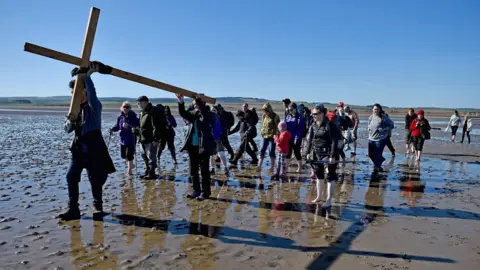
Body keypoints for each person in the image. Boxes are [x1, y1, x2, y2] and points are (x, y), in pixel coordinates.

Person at [60, 61, 116, 220]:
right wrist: (70, 121)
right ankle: (73, 209)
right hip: (78, 148)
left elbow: (92, 93)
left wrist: (86, 77)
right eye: (72, 93)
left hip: (93, 147)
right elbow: (67, 129)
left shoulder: (94, 106)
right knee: (71, 177)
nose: (74, 95)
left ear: (83, 91)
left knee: (95, 179)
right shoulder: (74, 108)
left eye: (76, 92)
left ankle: (98, 207)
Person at [176, 93, 216, 201]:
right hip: (192, 147)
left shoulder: (208, 114)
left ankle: (205, 192)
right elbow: (183, 113)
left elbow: (205, 117)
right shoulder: (194, 114)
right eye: (194, 104)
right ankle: (196, 191)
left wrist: (199, 101)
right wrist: (181, 102)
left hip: (203, 147)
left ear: (202, 103)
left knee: (204, 171)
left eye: (197, 104)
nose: (195, 106)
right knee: (193, 170)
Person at [303, 107, 341, 208]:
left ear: (322, 114)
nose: (313, 116)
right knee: (319, 175)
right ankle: (319, 196)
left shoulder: (330, 125)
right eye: (313, 114)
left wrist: (332, 156)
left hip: (329, 155)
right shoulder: (313, 126)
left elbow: (334, 141)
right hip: (316, 154)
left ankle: (329, 200)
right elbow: (309, 140)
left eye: (316, 114)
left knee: (330, 176)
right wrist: (307, 153)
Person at [135, 96, 166, 179]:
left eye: (139, 102)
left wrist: (156, 139)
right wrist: (136, 130)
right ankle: (147, 171)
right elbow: (141, 125)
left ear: (145, 102)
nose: (138, 104)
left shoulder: (152, 111)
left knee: (151, 156)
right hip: (142, 138)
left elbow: (156, 126)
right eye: (138, 102)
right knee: (144, 156)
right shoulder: (142, 112)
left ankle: (151, 173)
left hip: (150, 139)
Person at [110, 101, 139, 175]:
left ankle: (129, 171)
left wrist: (129, 126)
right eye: (124, 107)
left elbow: (135, 126)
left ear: (130, 108)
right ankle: (131, 165)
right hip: (123, 139)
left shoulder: (133, 116)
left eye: (127, 107)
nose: (125, 108)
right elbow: (117, 127)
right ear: (121, 108)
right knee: (123, 156)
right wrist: (113, 129)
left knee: (129, 155)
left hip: (131, 138)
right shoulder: (120, 117)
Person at [368, 104, 394, 172]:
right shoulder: (371, 117)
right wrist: (369, 128)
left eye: (377, 109)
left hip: (380, 139)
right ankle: (380, 161)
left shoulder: (383, 118)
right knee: (370, 154)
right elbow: (369, 124)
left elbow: (392, 125)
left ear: (380, 110)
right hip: (371, 138)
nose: (376, 110)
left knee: (378, 154)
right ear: (372, 110)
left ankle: (377, 167)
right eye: (374, 109)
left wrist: (384, 129)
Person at [257, 103, 281, 172]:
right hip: (264, 136)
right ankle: (259, 166)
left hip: (272, 137)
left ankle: (272, 167)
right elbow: (262, 124)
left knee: (272, 152)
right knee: (262, 150)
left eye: (266, 111)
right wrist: (261, 131)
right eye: (264, 111)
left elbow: (278, 127)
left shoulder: (275, 116)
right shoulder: (264, 115)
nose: (265, 112)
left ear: (269, 110)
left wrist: (277, 137)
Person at [283, 100, 305, 173]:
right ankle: (285, 168)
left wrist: (297, 139)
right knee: (288, 153)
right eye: (289, 110)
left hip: (296, 138)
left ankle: (300, 168)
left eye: (291, 110)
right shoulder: (288, 116)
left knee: (297, 153)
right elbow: (285, 126)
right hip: (288, 138)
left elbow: (300, 129)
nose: (290, 111)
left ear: (295, 109)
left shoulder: (299, 117)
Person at [209, 106, 229, 175]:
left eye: (213, 110)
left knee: (220, 154)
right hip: (213, 139)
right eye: (212, 110)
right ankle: (213, 169)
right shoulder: (214, 118)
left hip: (217, 139)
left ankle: (225, 168)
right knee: (213, 155)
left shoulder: (217, 118)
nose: (212, 112)